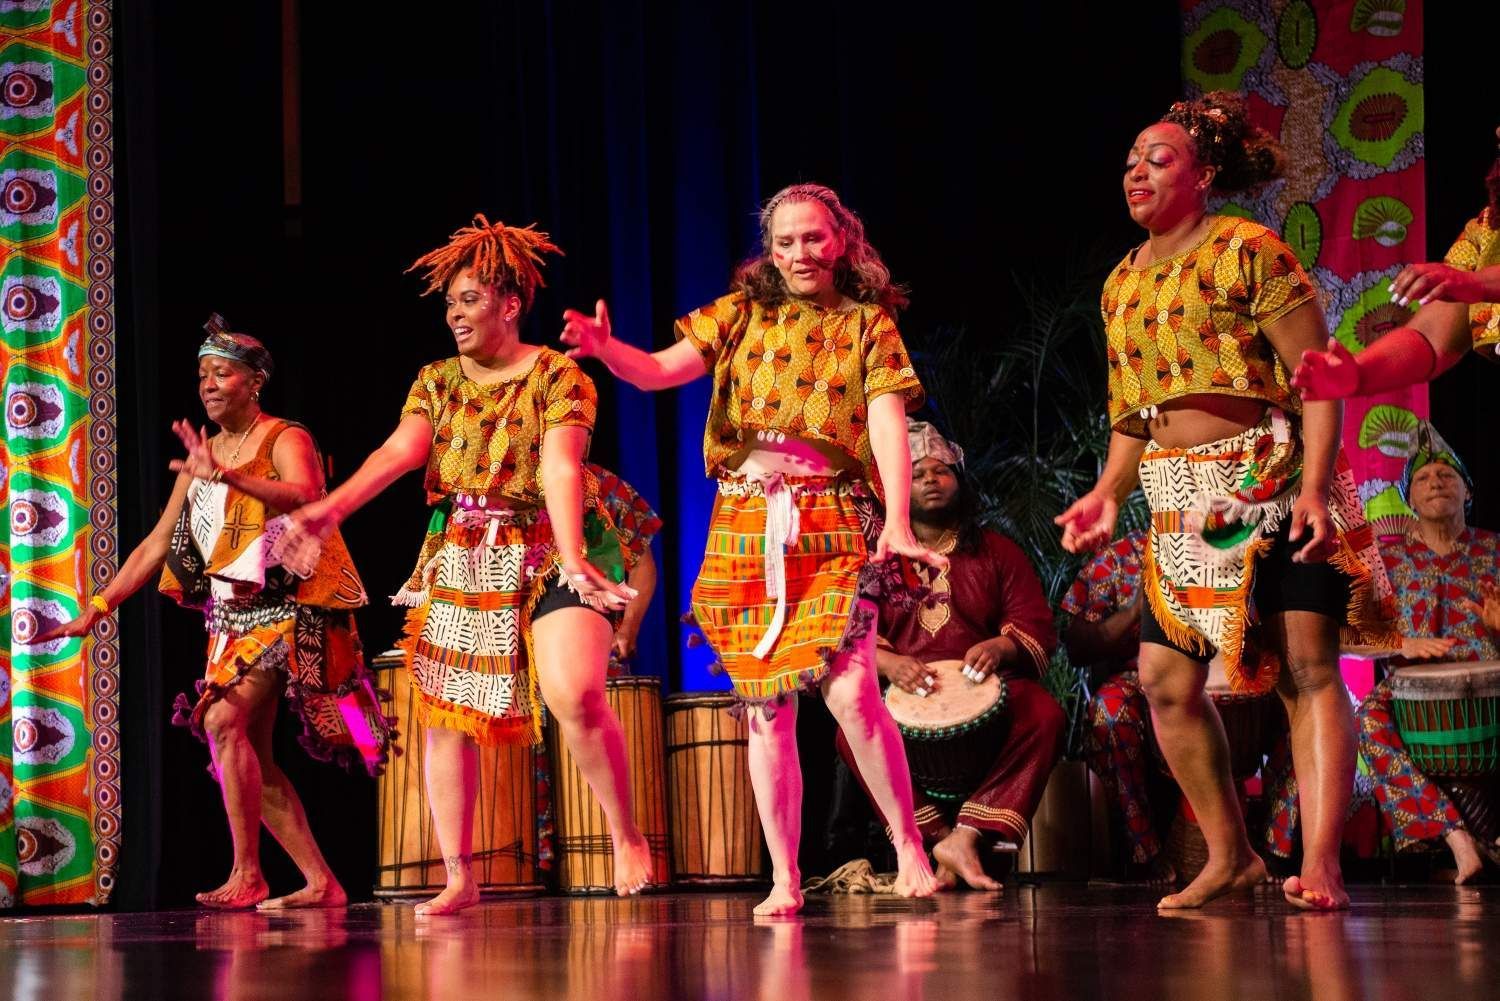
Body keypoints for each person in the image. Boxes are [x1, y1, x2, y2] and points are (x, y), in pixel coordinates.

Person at [1054, 92, 1399, 911]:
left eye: (1159, 157)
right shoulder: (1121, 282)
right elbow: (1134, 412)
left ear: (1204, 174)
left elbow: (1317, 379)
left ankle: (1320, 861)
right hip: (1177, 496)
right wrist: (1107, 490)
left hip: (1264, 476)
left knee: (1308, 671)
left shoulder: (1251, 249)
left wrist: (1315, 488)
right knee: (1166, 682)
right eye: (1132, 158)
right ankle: (1232, 854)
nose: (1137, 170)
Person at [561, 182, 944, 915]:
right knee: (766, 710)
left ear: (842, 241)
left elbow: (889, 420)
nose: (802, 252)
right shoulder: (738, 315)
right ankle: (785, 878)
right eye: (786, 241)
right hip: (745, 517)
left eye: (814, 237)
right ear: (768, 252)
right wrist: (609, 350)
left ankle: (907, 843)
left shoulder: (868, 325)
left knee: (852, 693)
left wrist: (896, 518)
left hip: (832, 518)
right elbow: (661, 371)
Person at [276, 216, 651, 915]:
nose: (454, 314)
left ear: (510, 304)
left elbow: (561, 467)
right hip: (466, 549)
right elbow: (397, 453)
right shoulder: (437, 380)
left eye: (469, 299)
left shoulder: (558, 375)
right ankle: (460, 873)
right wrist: (328, 510)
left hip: (550, 539)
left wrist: (571, 557)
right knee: (443, 714)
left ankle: (625, 833)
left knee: (574, 693)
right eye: (449, 303)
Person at [37, 320, 395, 910]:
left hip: (292, 607)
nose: (208, 384)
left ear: (255, 381)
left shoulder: (283, 436)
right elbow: (156, 543)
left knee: (221, 724)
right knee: (247, 747)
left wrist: (228, 476)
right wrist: (97, 609)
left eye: (221, 372)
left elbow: (307, 493)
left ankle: (248, 872)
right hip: (232, 617)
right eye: (202, 374)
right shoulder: (206, 454)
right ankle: (321, 882)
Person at [836, 421, 1061, 890]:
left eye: (942, 471)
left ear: (960, 481)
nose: (930, 480)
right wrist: (887, 663)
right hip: (903, 705)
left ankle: (967, 834)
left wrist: (1002, 645)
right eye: (916, 473)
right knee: (850, 731)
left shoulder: (998, 553)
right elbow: (844, 628)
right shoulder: (874, 560)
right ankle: (931, 838)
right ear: (896, 488)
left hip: (987, 699)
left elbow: (1034, 622)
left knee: (1043, 713)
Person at [1292, 125, 1500, 400]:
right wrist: (1360, 373)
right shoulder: (1489, 228)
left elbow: (1471, 284)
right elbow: (1431, 337)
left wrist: (1475, 283)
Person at [1062, 529, 1177, 880]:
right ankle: (1145, 852)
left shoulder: (1238, 539)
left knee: (1295, 701)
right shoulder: (1117, 558)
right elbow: (1078, 646)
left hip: (1224, 676)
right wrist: (1135, 610)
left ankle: (1276, 851)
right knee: (1108, 712)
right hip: (1139, 680)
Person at [586, 463, 662, 670]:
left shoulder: (605, 487)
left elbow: (642, 566)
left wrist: (629, 627)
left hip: (597, 642)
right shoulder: (506, 489)